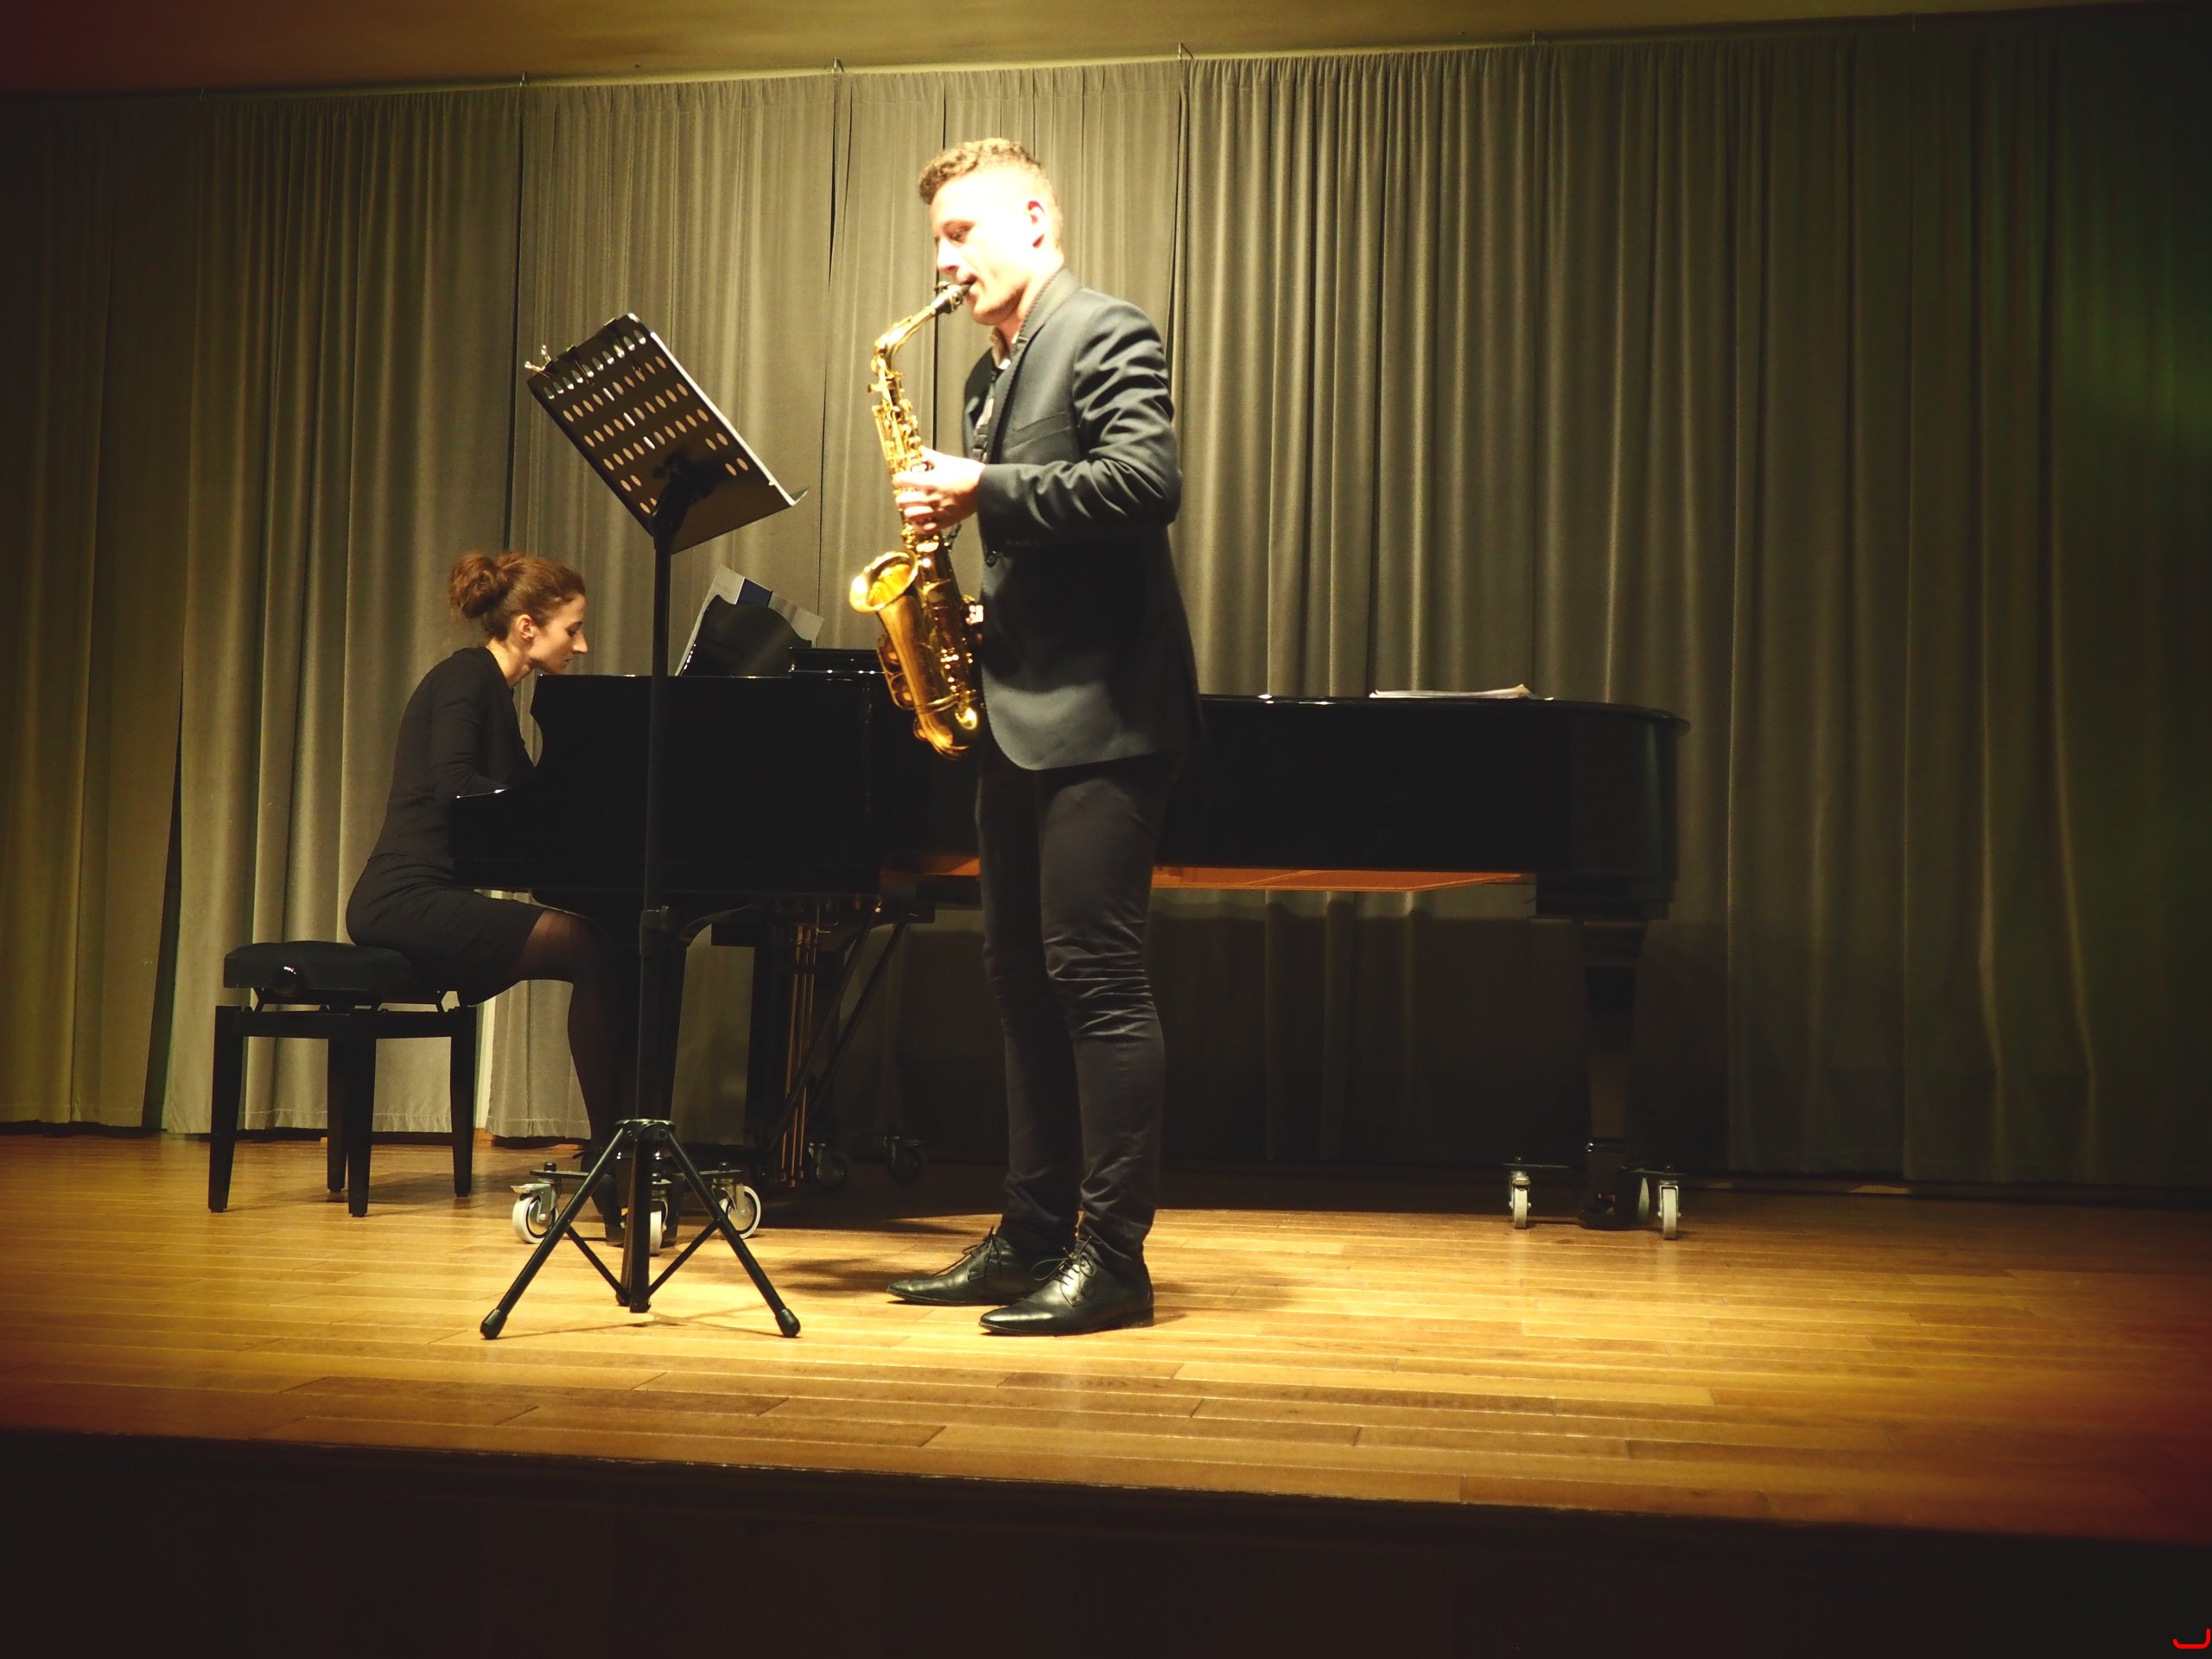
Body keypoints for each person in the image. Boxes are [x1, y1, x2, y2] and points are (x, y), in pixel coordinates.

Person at [885, 139, 1203, 1336]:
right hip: (1018, 712)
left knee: (1098, 982)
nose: (944, 260)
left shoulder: (1104, 329)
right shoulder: (986, 379)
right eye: (936, 240)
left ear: (1031, 218)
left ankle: (1112, 1260)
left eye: (961, 233)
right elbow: (1044, 546)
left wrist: (983, 490)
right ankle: (1029, 1234)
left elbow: (1145, 483)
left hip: (1107, 714)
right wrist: (971, 608)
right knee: (1020, 985)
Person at [346, 551, 632, 1167]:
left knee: (605, 945)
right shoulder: (465, 679)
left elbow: (529, 811)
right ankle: (613, 1152)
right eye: (573, 629)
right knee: (589, 947)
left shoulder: (496, 695)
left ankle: (619, 1144)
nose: (582, 646)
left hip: (433, 896)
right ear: (527, 627)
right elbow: (455, 785)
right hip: (401, 899)